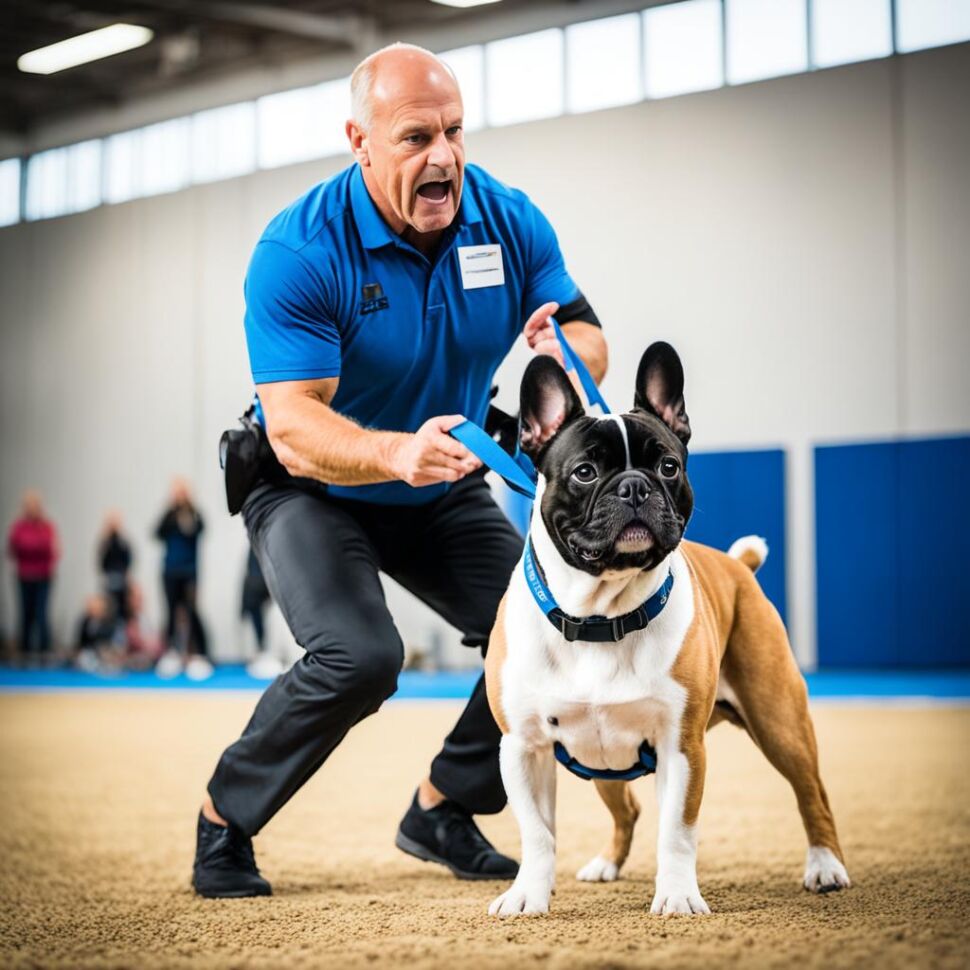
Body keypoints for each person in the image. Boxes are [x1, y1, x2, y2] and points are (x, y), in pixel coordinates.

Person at [192, 43, 608, 898]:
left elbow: (586, 328)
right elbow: (295, 423)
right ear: (361, 140)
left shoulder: (508, 219)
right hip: (311, 484)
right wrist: (392, 451)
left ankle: (442, 806)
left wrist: (565, 360)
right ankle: (224, 821)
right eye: (416, 136)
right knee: (361, 655)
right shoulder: (300, 251)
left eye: (455, 132)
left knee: (547, 622)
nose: (444, 157)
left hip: (441, 479)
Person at [155, 478, 211, 678]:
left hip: (189, 572)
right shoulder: (169, 515)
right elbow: (157, 533)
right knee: (171, 612)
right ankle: (171, 653)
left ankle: (200, 654)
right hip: (170, 571)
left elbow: (201, 529)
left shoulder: (194, 513)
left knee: (191, 611)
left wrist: (187, 514)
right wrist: (171, 511)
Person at [7, 490, 59, 664]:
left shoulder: (47, 526)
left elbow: (51, 549)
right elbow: (13, 548)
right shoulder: (18, 526)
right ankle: (24, 651)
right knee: (25, 614)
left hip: (44, 576)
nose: (32, 509)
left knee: (41, 613)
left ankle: (45, 651)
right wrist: (33, 548)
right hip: (24, 576)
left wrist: (30, 548)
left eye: (35, 505)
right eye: (29, 505)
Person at [98, 510, 133, 623]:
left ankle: (122, 631)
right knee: (109, 608)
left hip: (121, 577)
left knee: (123, 607)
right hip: (109, 577)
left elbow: (128, 559)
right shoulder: (105, 542)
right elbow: (102, 562)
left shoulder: (123, 541)